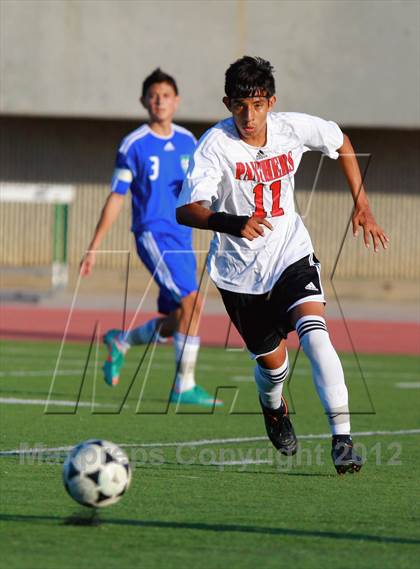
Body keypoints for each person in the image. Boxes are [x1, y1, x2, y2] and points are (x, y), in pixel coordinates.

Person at [176, 56, 389, 473]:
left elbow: (341, 140)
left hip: (291, 255)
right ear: (227, 103)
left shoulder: (292, 128)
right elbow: (187, 211)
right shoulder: (215, 146)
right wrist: (233, 223)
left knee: (316, 336)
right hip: (239, 274)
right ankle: (273, 409)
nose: (248, 116)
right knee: (274, 369)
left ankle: (342, 438)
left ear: (271, 102)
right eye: (239, 105)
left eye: (256, 105)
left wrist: (362, 204)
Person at [80, 68, 222, 407]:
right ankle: (183, 386)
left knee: (180, 318)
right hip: (153, 235)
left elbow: (202, 187)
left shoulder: (190, 141)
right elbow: (117, 195)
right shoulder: (134, 144)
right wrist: (94, 246)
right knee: (194, 304)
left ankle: (122, 341)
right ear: (144, 101)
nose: (160, 101)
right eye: (154, 96)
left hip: (183, 238)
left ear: (177, 101)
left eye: (166, 95)